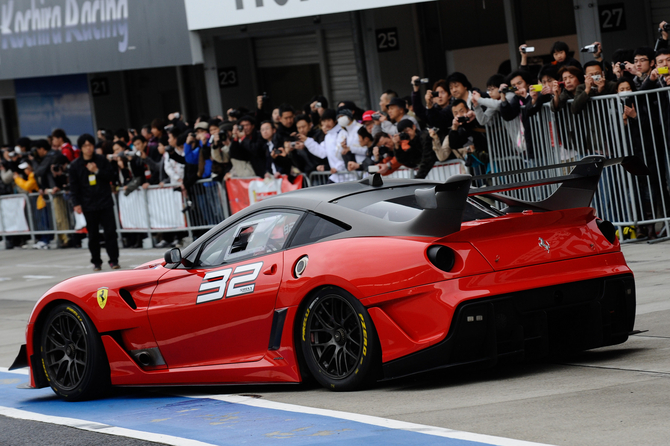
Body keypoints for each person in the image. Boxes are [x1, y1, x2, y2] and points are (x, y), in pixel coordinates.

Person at [69, 134, 120, 271]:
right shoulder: (75, 166)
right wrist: (76, 203)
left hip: (105, 202)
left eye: (90, 145)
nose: (88, 148)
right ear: (80, 148)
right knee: (93, 235)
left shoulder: (101, 160)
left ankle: (114, 260)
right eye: (85, 146)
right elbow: (74, 187)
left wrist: (96, 171)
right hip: (88, 204)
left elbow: (111, 175)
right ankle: (96, 262)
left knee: (110, 233)